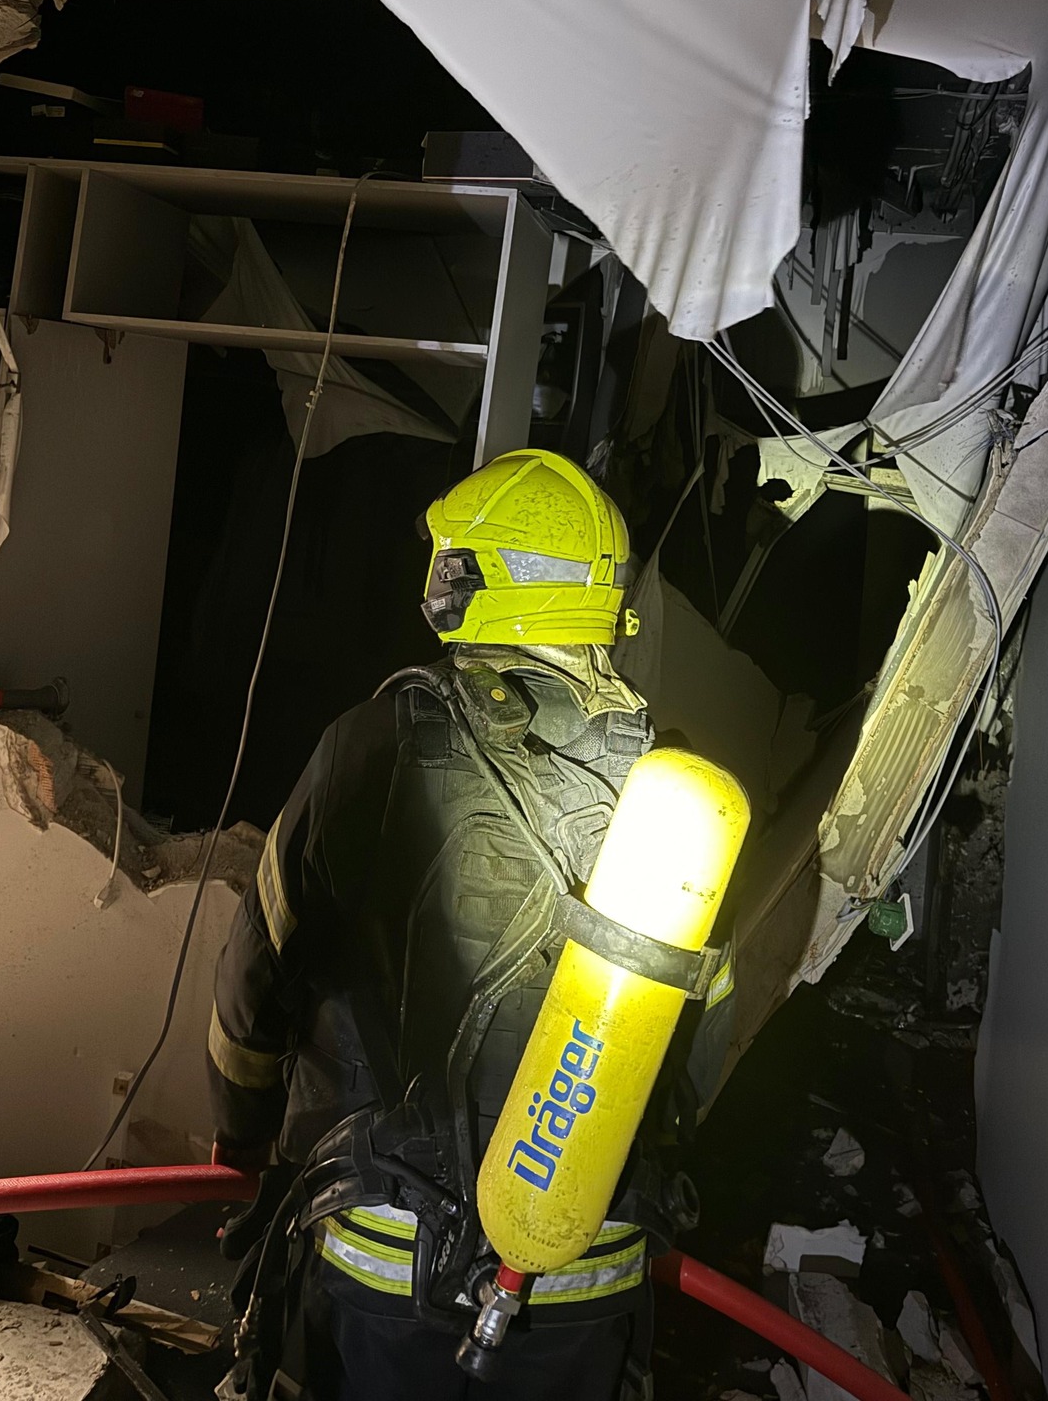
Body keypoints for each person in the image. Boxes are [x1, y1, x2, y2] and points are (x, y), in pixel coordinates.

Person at [206, 450, 737, 1400]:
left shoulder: (369, 748)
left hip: (389, 1260)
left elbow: (257, 973)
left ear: (472, 580)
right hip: (584, 1267)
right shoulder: (678, 799)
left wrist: (238, 1134)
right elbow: (701, 1047)